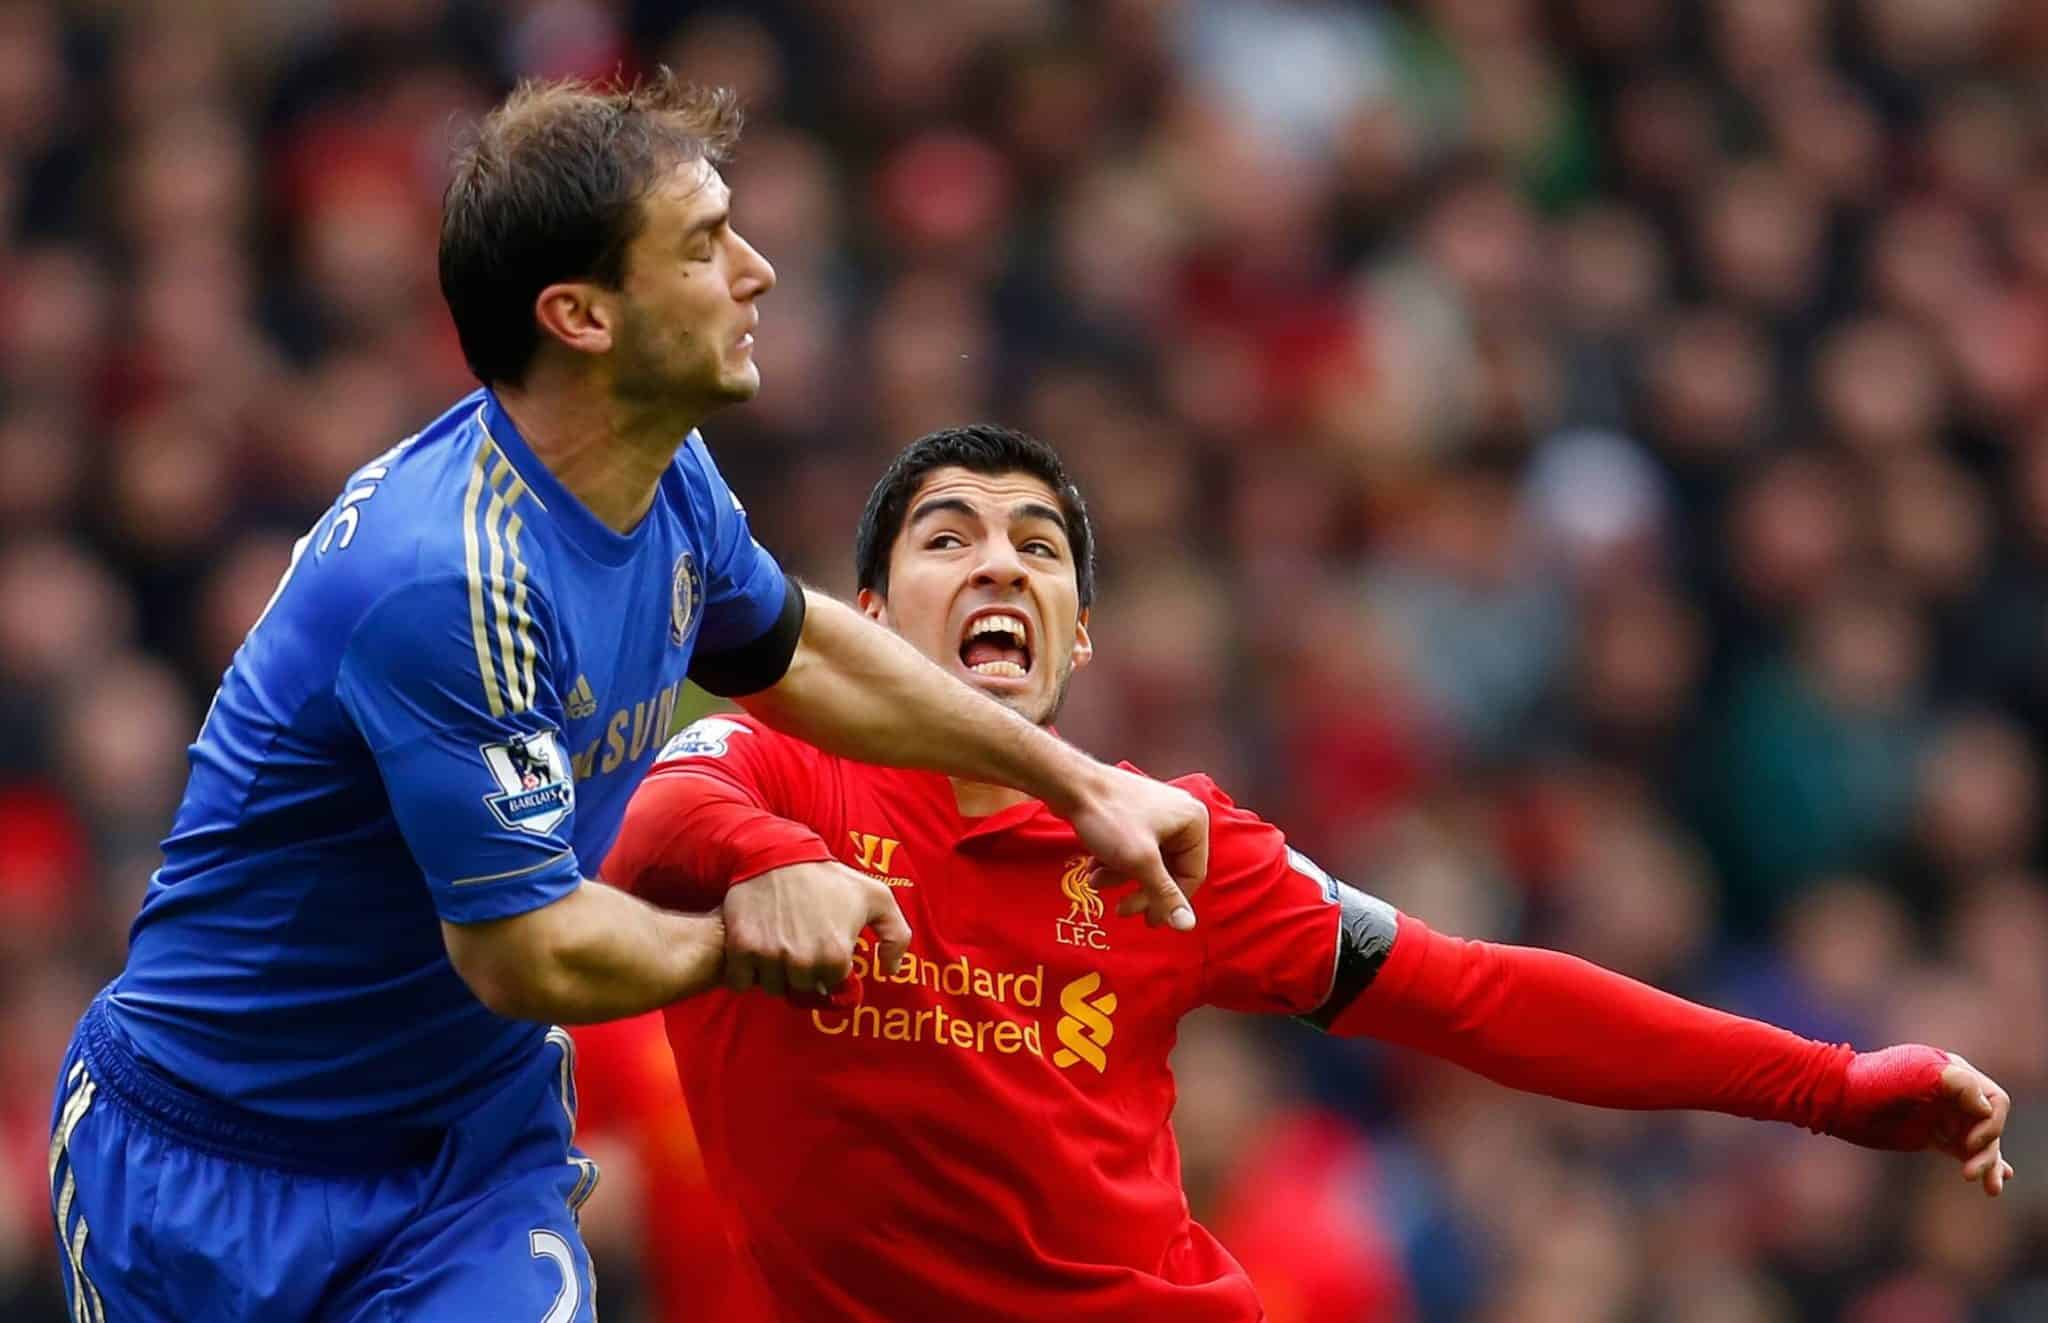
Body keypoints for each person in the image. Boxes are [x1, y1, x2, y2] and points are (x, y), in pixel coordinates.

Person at [45, 81, 1208, 1323]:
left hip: (459, 1169)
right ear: (581, 316)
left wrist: (1072, 783)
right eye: (704, 246)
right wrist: (741, 935)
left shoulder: (663, 476)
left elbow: (796, 651)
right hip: (207, 1170)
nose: (757, 271)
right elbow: (524, 948)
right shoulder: (455, 579)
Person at [606, 423, 2016, 1323]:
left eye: (1039, 548)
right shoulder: (772, 765)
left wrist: (1826, 1086)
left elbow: (1476, 995)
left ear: (1078, 635)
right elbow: (655, 820)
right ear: (860, 618)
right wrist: (776, 864)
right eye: (947, 537)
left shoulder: (1171, 840)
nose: (1000, 567)